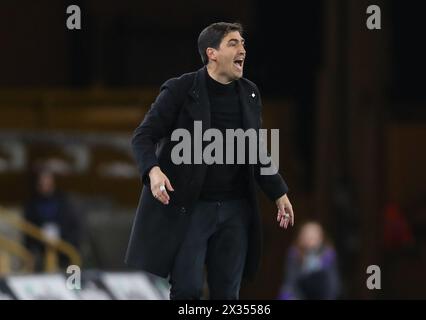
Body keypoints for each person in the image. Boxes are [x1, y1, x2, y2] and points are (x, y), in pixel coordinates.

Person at [125, 22, 294, 300]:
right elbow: (143, 136)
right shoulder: (182, 88)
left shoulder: (250, 93)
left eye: (243, 43)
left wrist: (279, 192)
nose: (243, 49)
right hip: (192, 209)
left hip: (235, 210)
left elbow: (254, 150)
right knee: (188, 289)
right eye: (233, 43)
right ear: (211, 53)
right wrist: (152, 171)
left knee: (228, 294)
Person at [24, 169, 82, 271]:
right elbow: (28, 230)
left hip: (65, 249)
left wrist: (60, 236)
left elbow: (73, 226)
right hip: (41, 250)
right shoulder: (32, 203)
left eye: (47, 181)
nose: (44, 184)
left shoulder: (63, 201)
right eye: (41, 182)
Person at [278, 221, 340, 300]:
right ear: (300, 238)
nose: (310, 240)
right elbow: (290, 283)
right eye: (307, 236)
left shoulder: (328, 256)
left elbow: (333, 286)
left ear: (321, 238)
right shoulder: (294, 254)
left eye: (314, 236)